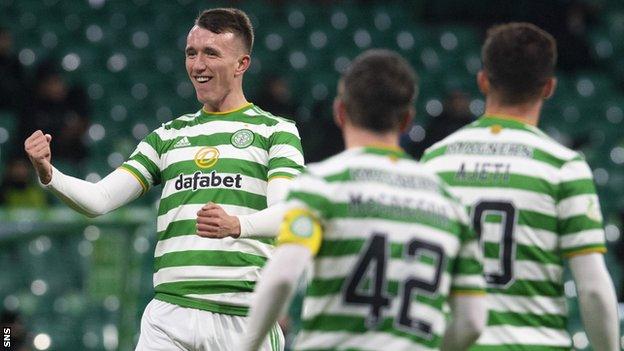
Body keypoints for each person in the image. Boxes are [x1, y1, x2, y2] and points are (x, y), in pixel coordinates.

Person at [24, 8, 304, 351]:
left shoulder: (276, 132)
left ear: (241, 64)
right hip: (169, 316)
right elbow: (99, 200)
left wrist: (237, 225)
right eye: (191, 53)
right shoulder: (167, 137)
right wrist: (49, 173)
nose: (197, 65)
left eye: (211, 53)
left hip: (243, 318)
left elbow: (288, 213)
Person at [242, 49, 486, 351]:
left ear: (340, 112)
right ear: (408, 120)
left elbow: (281, 278)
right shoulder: (449, 202)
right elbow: (472, 322)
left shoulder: (321, 184)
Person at [421, 22, 620, 350]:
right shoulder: (563, 166)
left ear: (483, 81)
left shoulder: (435, 161)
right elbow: (593, 290)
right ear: (549, 87)